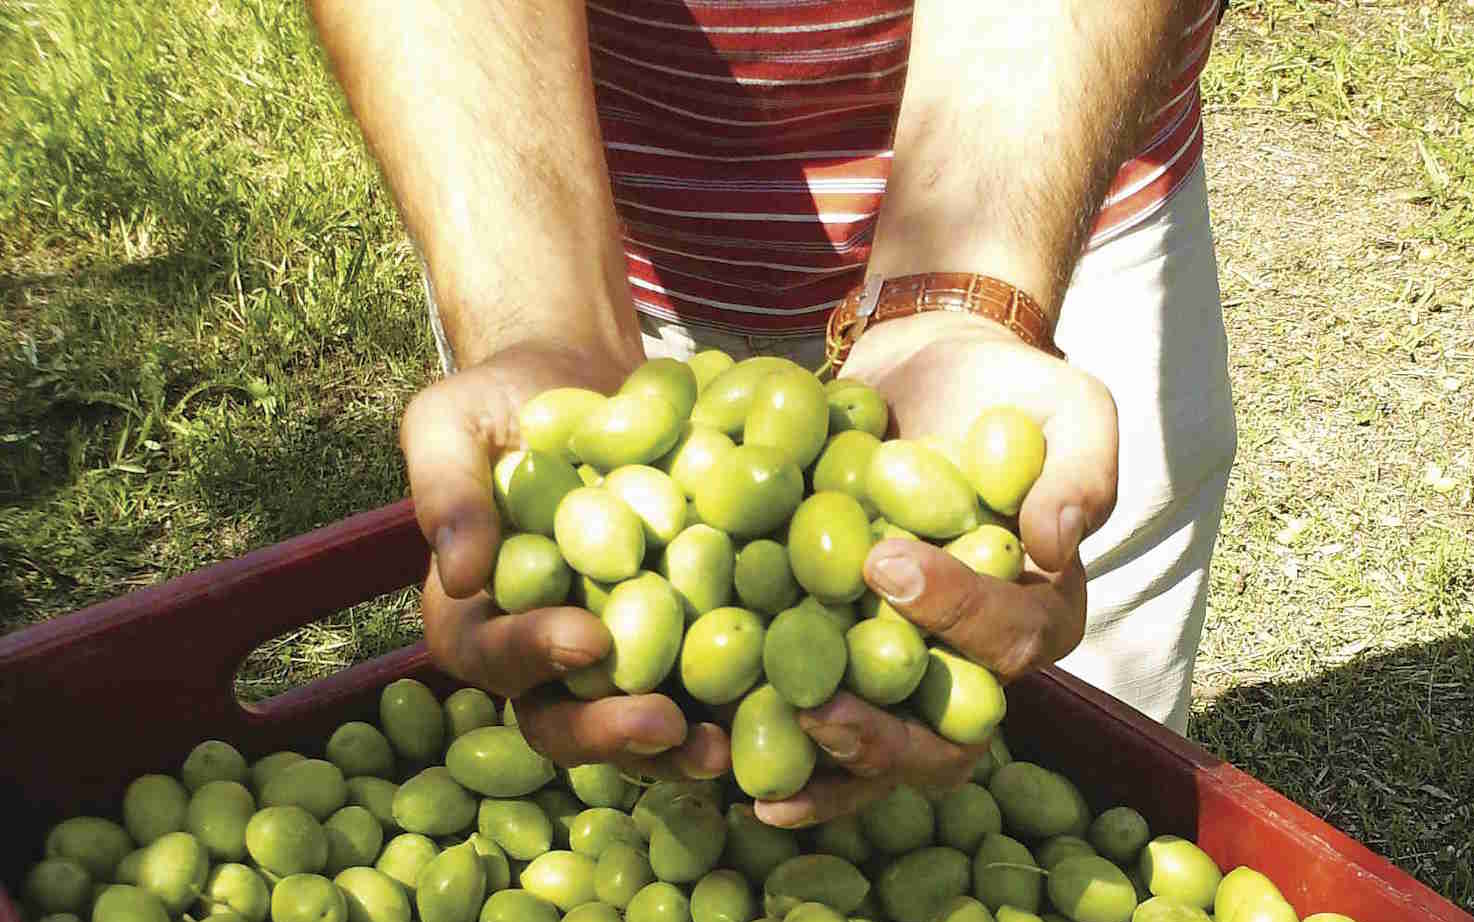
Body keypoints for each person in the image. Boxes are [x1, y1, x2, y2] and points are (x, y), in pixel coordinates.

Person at [307, 0, 1238, 826]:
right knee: (641, 774)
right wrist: (539, 318)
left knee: (1082, 767)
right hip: (577, 189)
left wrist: (970, 295)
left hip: (1057, 162)